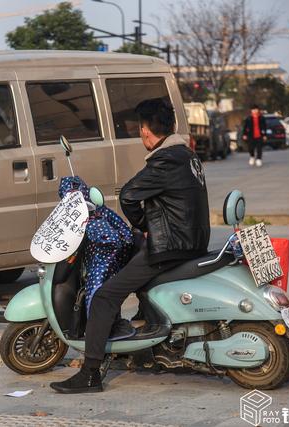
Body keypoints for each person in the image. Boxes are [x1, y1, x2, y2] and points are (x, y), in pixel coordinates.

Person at [50, 98, 210, 394]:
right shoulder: (187, 155)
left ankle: (90, 373)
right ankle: (144, 322)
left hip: (171, 247)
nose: (140, 134)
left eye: (140, 128)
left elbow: (129, 195)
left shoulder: (164, 160)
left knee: (104, 297)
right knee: (133, 248)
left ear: (147, 131)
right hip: (191, 241)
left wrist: (146, 228)